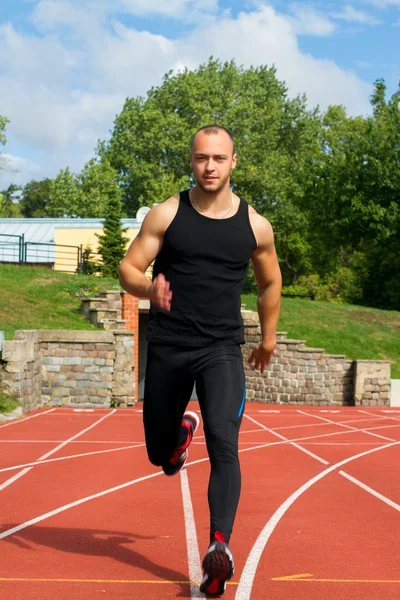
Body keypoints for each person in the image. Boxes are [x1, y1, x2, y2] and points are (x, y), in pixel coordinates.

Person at [119, 124, 282, 597]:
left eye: (218, 158)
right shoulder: (167, 214)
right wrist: (149, 287)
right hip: (169, 347)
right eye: (200, 158)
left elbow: (271, 283)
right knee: (158, 455)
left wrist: (267, 338)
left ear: (234, 162)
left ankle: (220, 549)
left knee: (225, 442)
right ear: (191, 161)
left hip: (220, 350)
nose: (209, 166)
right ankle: (176, 440)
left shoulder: (255, 226)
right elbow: (129, 267)